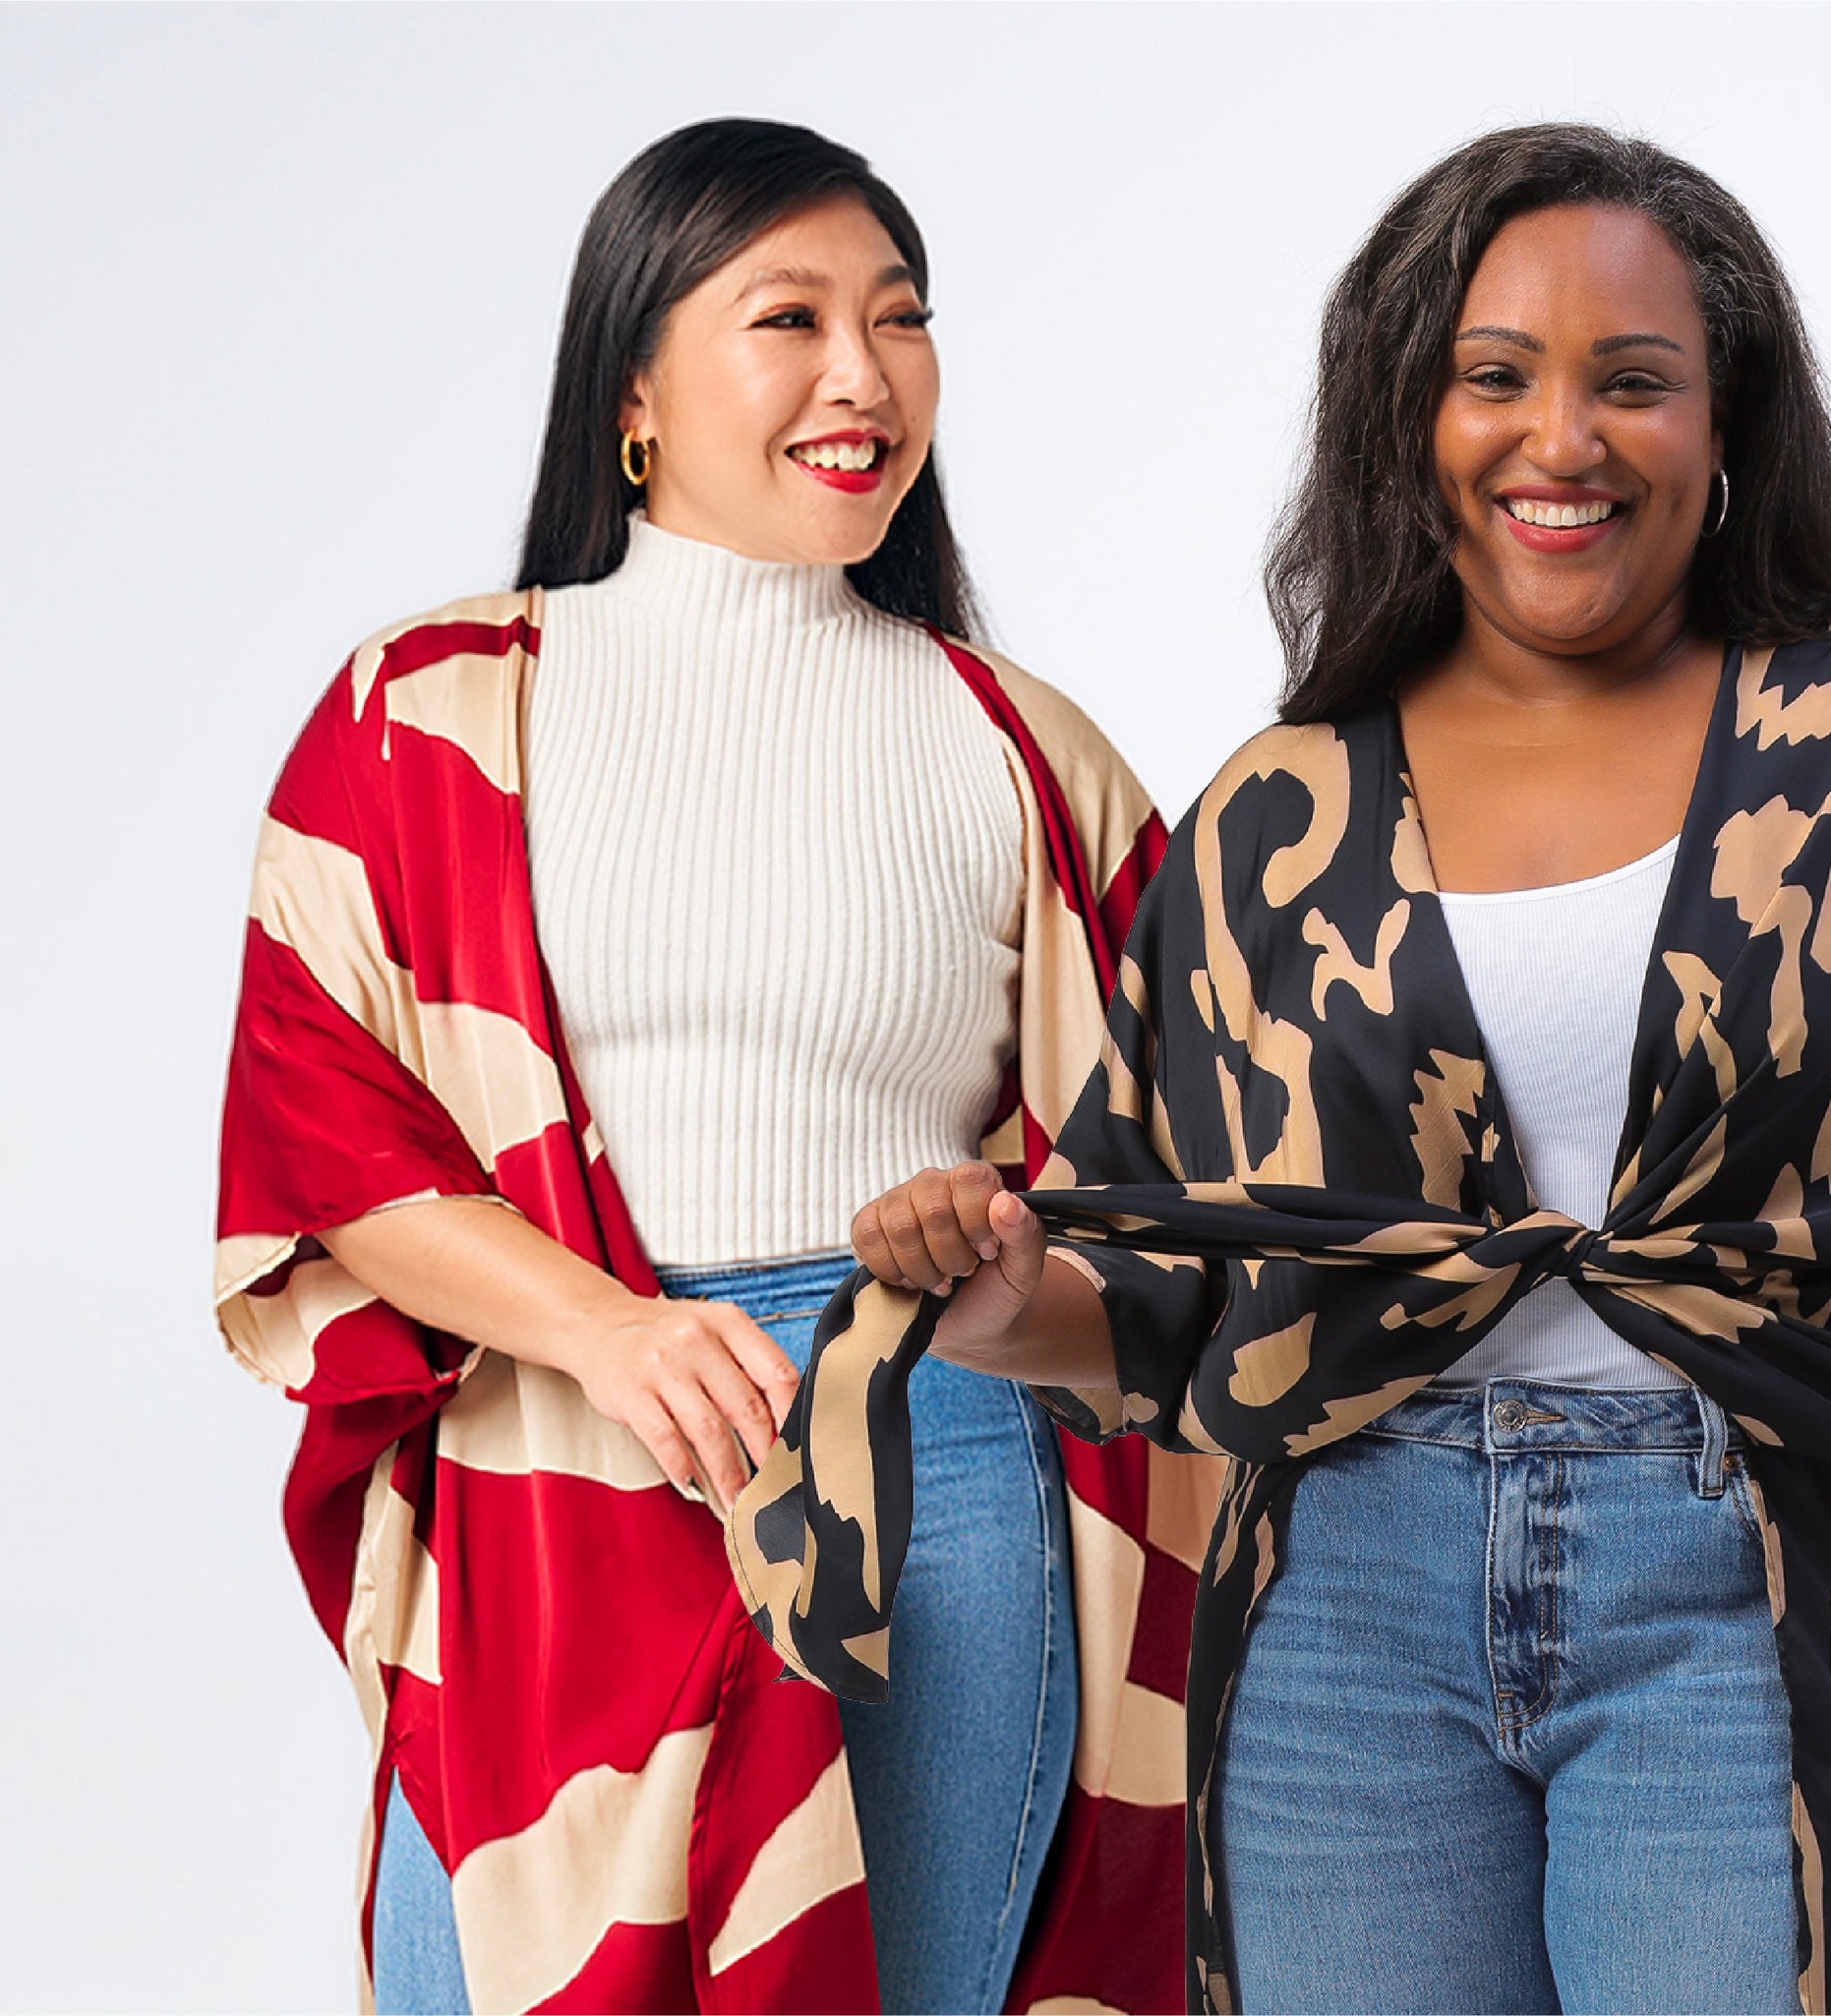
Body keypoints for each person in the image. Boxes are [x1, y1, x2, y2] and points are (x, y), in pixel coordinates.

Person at [728, 125, 1831, 2016]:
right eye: (1493, 377)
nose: (1562, 438)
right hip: (1343, 1588)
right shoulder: (1284, 813)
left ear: (1726, 417)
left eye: (1635, 381)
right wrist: (1008, 1296)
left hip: (1753, 1579)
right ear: (1402, 417)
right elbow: (1162, 1317)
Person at [211, 118, 1189, 2015]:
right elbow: (325, 1120)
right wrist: (608, 1330)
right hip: (557, 1449)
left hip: (937, 1463)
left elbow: (1181, 1186)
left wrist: (1009, 1262)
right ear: (635, 390)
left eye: (902, 319)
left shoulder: (1026, 752)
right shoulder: (421, 711)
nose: (863, 372)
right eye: (790, 316)